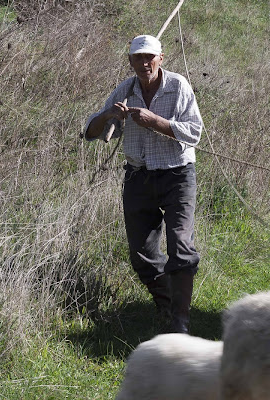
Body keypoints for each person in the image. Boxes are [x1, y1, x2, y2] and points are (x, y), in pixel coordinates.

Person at [84, 34, 203, 334]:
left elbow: (195, 132)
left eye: (150, 57)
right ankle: (167, 303)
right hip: (137, 176)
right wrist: (109, 114)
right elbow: (90, 132)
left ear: (161, 59)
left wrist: (156, 122)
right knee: (141, 254)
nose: (145, 63)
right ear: (130, 61)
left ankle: (181, 321)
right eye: (138, 57)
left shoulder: (178, 86)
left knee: (181, 246)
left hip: (177, 175)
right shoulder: (124, 91)